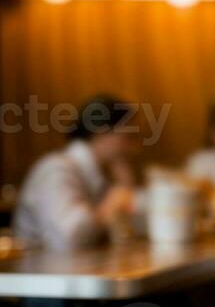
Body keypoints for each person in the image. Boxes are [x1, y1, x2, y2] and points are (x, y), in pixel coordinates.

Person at [14, 93, 138, 251]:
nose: (133, 148)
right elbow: (69, 239)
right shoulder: (56, 169)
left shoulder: (96, 176)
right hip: (36, 271)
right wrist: (112, 204)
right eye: (128, 137)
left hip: (64, 270)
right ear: (102, 131)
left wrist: (124, 184)